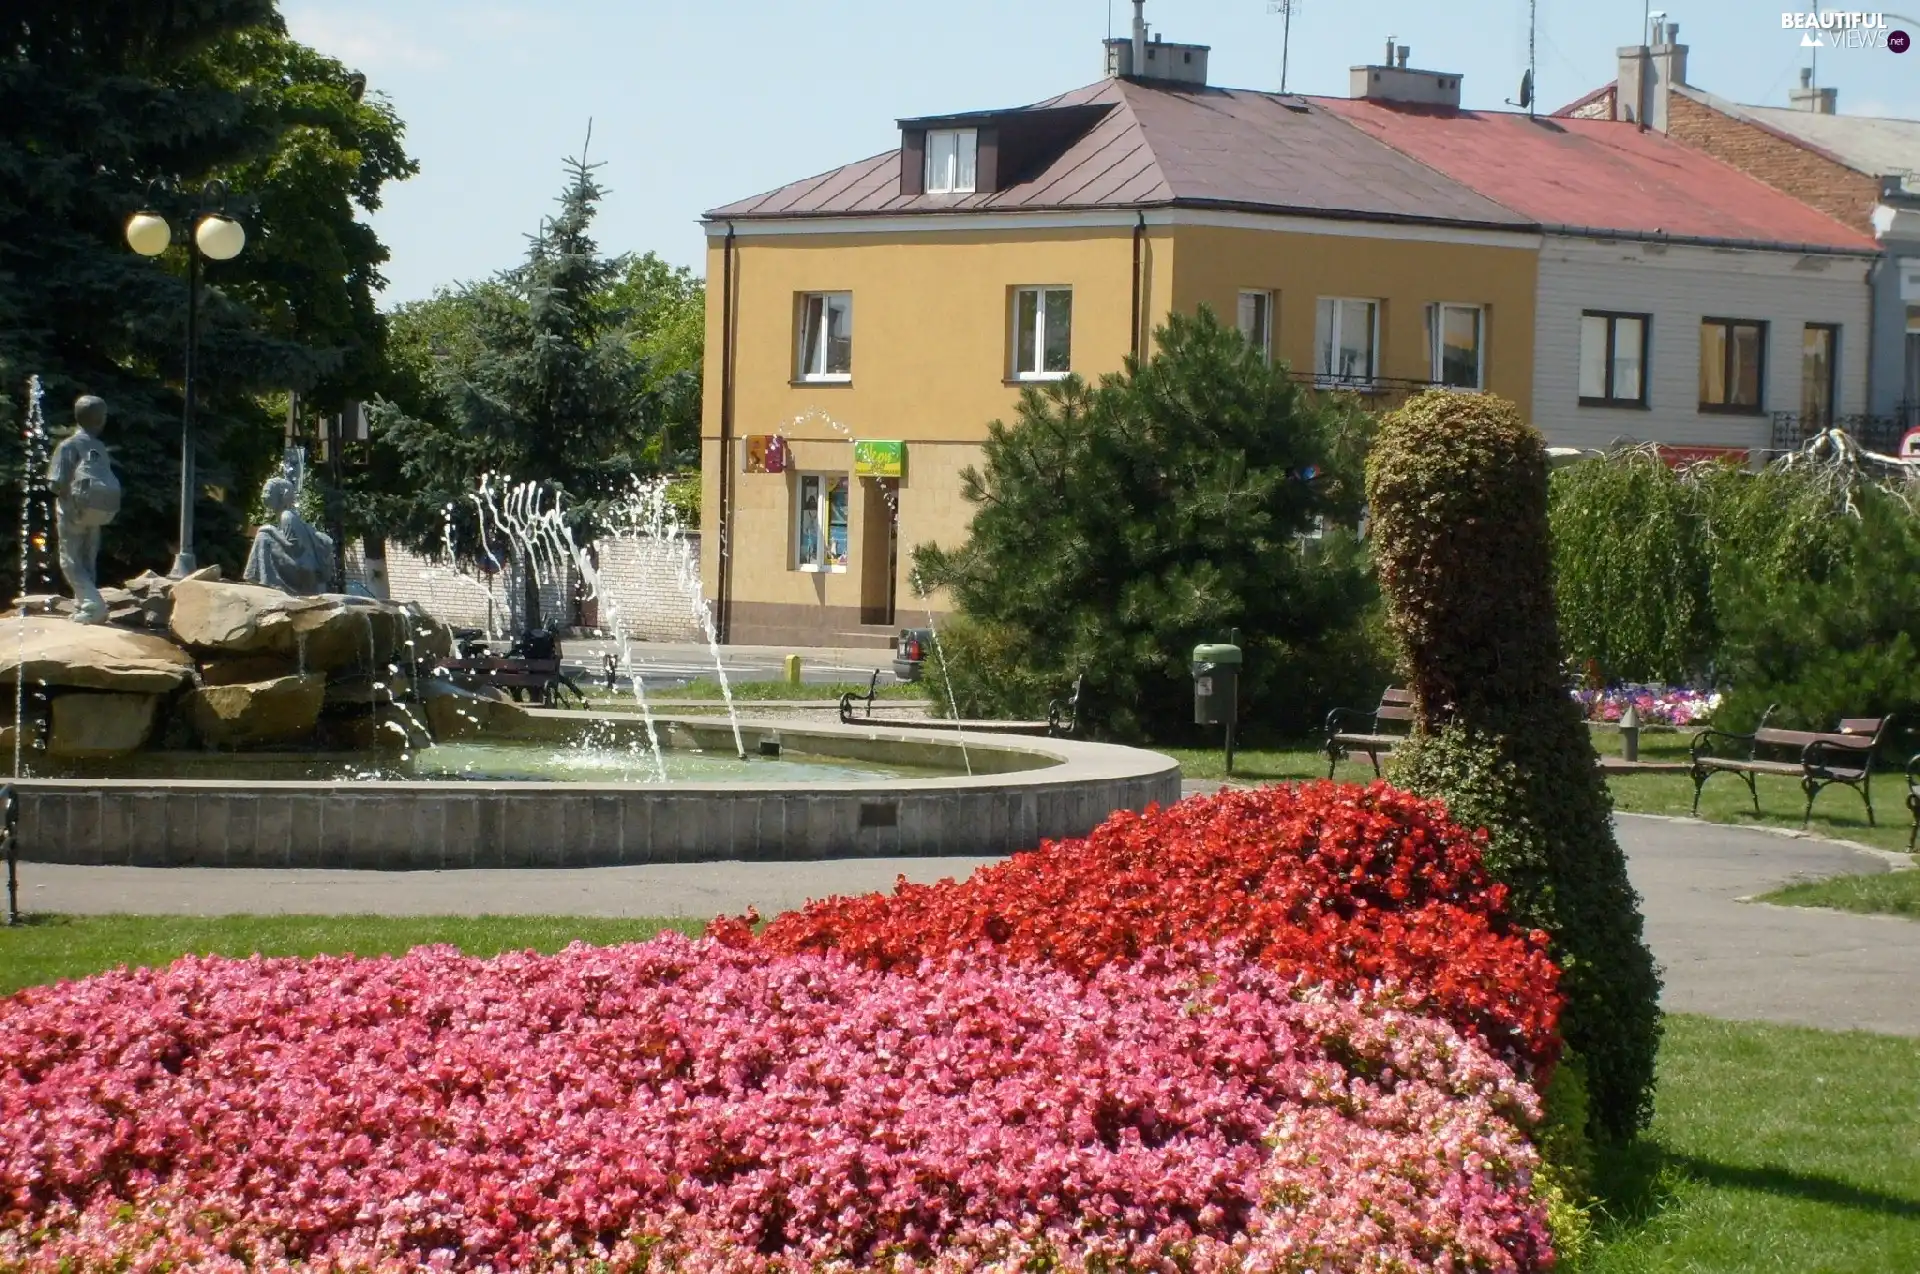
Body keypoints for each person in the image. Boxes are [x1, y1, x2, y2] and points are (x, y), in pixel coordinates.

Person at [47, 395, 120, 624]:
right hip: (96, 511)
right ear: (100, 420)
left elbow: (56, 483)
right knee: (88, 559)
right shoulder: (98, 446)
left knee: (70, 560)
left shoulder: (68, 445)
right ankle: (84, 606)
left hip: (72, 511)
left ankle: (93, 605)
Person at [243, 475, 334, 595]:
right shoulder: (286, 515)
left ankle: (263, 580)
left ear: (281, 495)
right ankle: (260, 579)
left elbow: (294, 548)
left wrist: (271, 530)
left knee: (263, 536)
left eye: (268, 492)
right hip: (302, 570)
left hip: (302, 571)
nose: (264, 496)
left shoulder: (287, 516)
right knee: (265, 533)